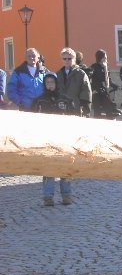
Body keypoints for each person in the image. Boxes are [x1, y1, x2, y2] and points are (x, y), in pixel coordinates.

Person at [31, 73, 77, 206]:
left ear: (56, 84)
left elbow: (73, 118)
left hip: (64, 138)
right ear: (45, 85)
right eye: (48, 83)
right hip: (47, 139)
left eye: (52, 82)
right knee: (48, 169)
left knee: (65, 168)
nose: (50, 85)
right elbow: (33, 120)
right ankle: (48, 196)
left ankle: (66, 195)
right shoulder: (39, 101)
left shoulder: (65, 100)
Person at [56, 47, 92, 116]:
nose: (67, 60)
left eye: (69, 58)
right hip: (61, 110)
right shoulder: (58, 74)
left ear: (74, 59)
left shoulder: (81, 74)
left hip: (76, 109)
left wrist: (85, 111)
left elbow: (86, 93)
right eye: (64, 58)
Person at [90, 49, 120, 118]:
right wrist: (94, 89)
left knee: (108, 109)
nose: (106, 59)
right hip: (96, 91)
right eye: (104, 57)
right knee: (97, 112)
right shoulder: (94, 67)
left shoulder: (106, 67)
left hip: (104, 91)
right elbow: (92, 80)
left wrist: (116, 86)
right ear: (100, 58)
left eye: (106, 57)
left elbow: (108, 80)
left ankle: (111, 114)